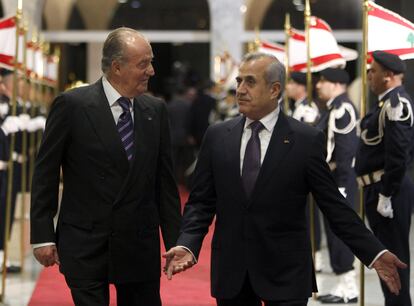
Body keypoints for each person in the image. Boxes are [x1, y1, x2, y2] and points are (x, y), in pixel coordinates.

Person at [164, 52, 406, 306]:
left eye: (250, 82)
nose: (241, 89)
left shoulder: (305, 139)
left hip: (287, 273)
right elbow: (201, 202)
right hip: (232, 273)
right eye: (239, 81)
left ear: (274, 89)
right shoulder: (217, 136)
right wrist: (188, 244)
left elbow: (334, 207)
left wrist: (374, 252)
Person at [30, 27, 182, 306]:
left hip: (138, 244)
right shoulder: (72, 105)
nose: (151, 71)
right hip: (86, 242)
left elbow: (165, 183)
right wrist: (42, 235)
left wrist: (176, 241)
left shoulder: (155, 111)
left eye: (151, 62)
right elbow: (45, 173)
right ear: (117, 67)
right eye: (143, 64)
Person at [355, 50, 414, 306]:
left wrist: (387, 193)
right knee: (385, 257)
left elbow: (398, 155)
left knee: (393, 259)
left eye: (374, 70)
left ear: (388, 76)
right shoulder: (383, 104)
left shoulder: (396, 104)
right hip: (378, 189)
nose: (369, 75)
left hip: (388, 190)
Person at [315, 68, 359, 304]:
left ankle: (350, 289)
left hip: (340, 180)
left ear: (336, 84)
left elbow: (345, 149)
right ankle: (343, 285)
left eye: (323, 81)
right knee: (333, 233)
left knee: (340, 232)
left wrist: (341, 184)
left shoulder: (342, 108)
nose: (319, 85)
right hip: (332, 179)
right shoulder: (333, 107)